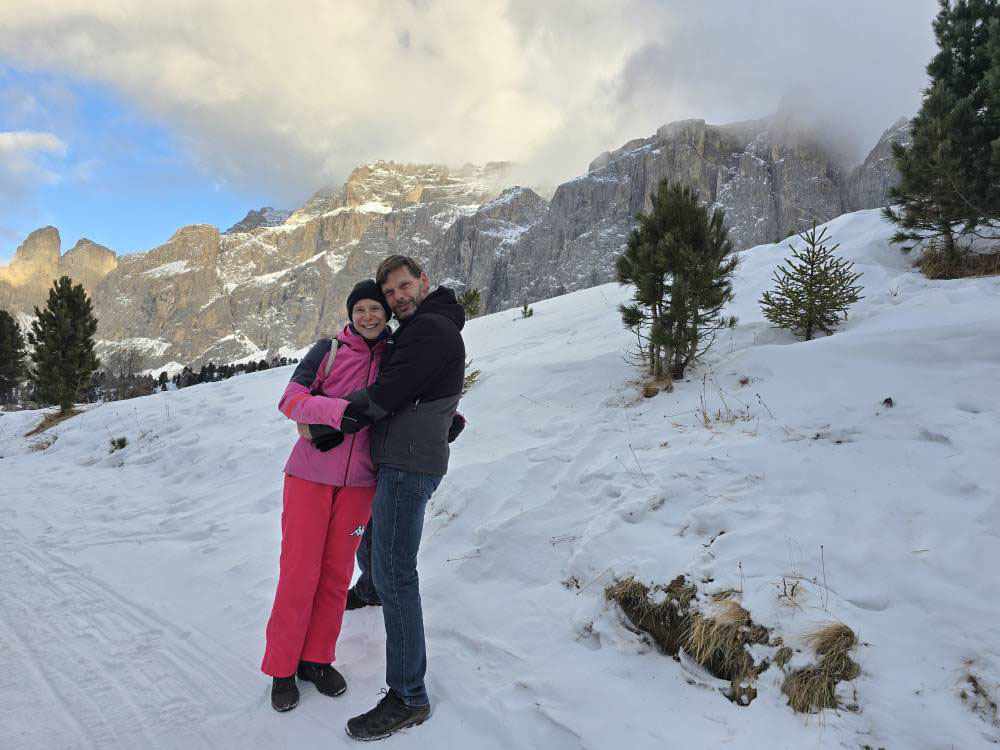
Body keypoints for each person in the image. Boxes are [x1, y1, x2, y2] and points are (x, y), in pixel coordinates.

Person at [330, 255, 466, 741]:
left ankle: (409, 696)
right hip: (398, 456)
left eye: (404, 286)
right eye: (389, 293)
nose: (397, 298)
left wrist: (326, 420)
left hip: (408, 467)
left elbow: (387, 392)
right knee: (374, 537)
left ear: (423, 282)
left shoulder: (429, 329)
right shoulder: (423, 327)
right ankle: (370, 589)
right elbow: (421, 389)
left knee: (396, 572)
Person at [260, 280, 392, 712]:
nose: (368, 316)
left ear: (387, 314)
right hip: (309, 477)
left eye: (376, 308)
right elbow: (290, 400)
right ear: (351, 314)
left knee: (336, 575)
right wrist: (339, 412)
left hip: (360, 484)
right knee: (299, 572)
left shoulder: (395, 356)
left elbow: (413, 395)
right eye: (361, 309)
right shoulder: (328, 351)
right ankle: (282, 667)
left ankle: (316, 659)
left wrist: (448, 418)